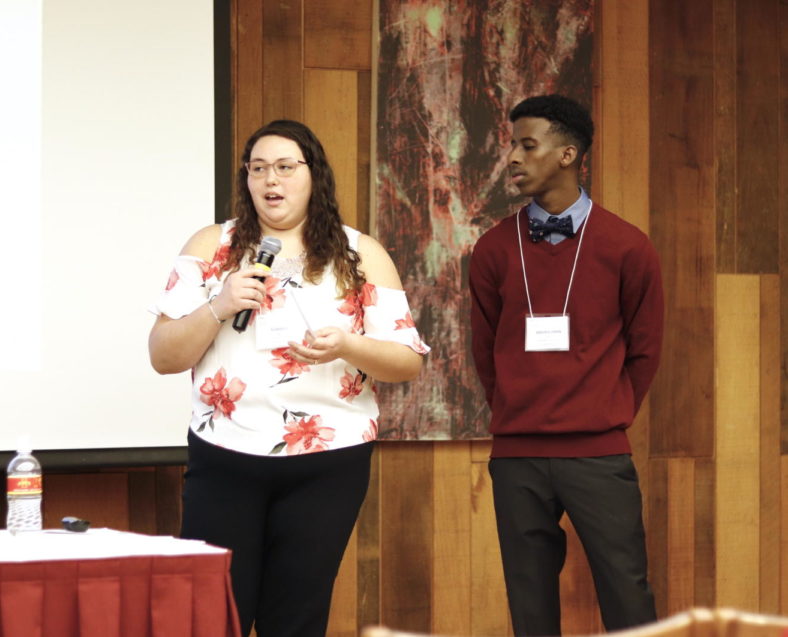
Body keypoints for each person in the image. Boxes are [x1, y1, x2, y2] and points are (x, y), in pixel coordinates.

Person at [148, 119, 429, 637]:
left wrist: (348, 345)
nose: (270, 181)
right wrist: (219, 303)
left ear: (313, 175)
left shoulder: (358, 254)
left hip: (328, 462)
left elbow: (407, 360)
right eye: (258, 169)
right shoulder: (214, 245)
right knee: (212, 616)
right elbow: (163, 356)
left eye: (284, 167)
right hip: (225, 456)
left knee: (296, 618)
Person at [468, 94, 663, 636]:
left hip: (598, 453)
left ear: (568, 154)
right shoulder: (491, 250)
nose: (512, 157)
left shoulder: (628, 247)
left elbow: (645, 349)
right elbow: (485, 350)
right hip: (517, 455)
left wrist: (608, 407)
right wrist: (516, 406)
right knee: (529, 603)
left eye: (527, 145)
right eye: (512, 144)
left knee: (627, 593)